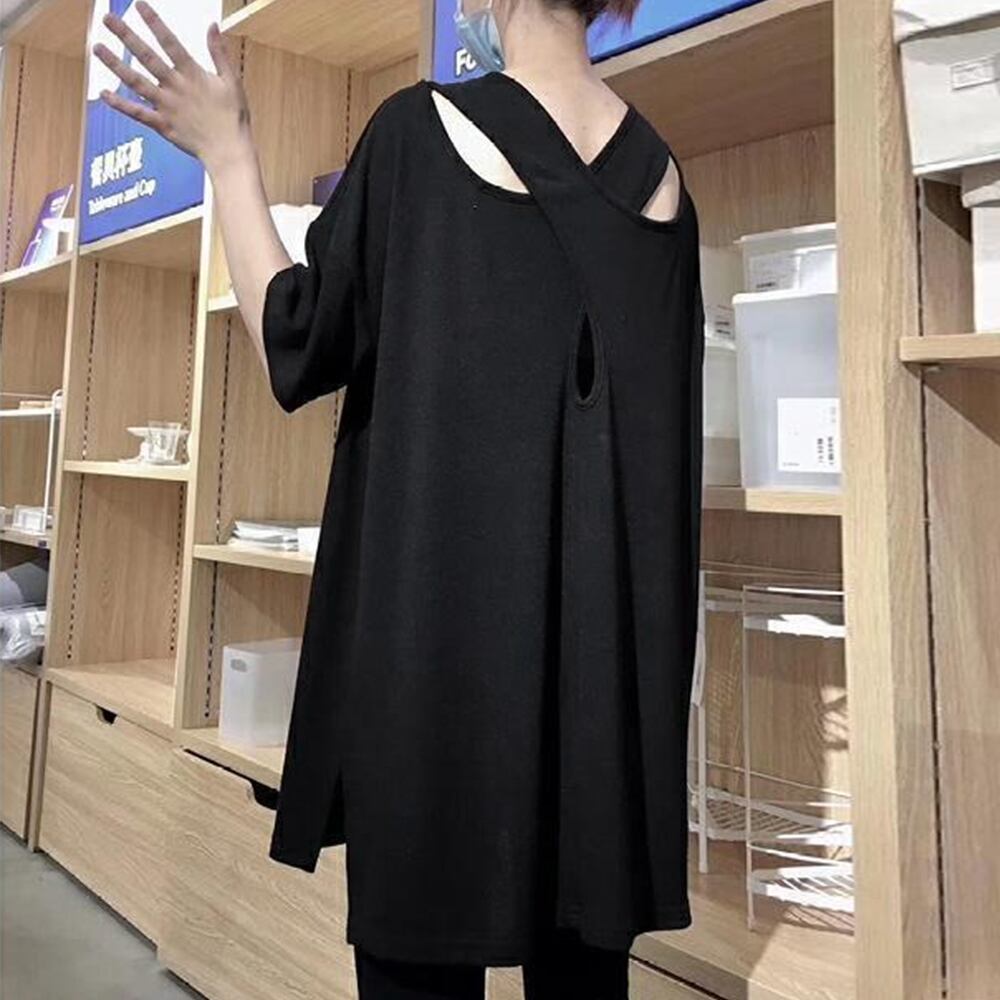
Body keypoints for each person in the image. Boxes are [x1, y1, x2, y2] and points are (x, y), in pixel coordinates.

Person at [93, 1, 704, 997]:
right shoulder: (667, 183)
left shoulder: (416, 137)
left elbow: (295, 346)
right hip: (602, 712)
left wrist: (230, 155)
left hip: (430, 684)